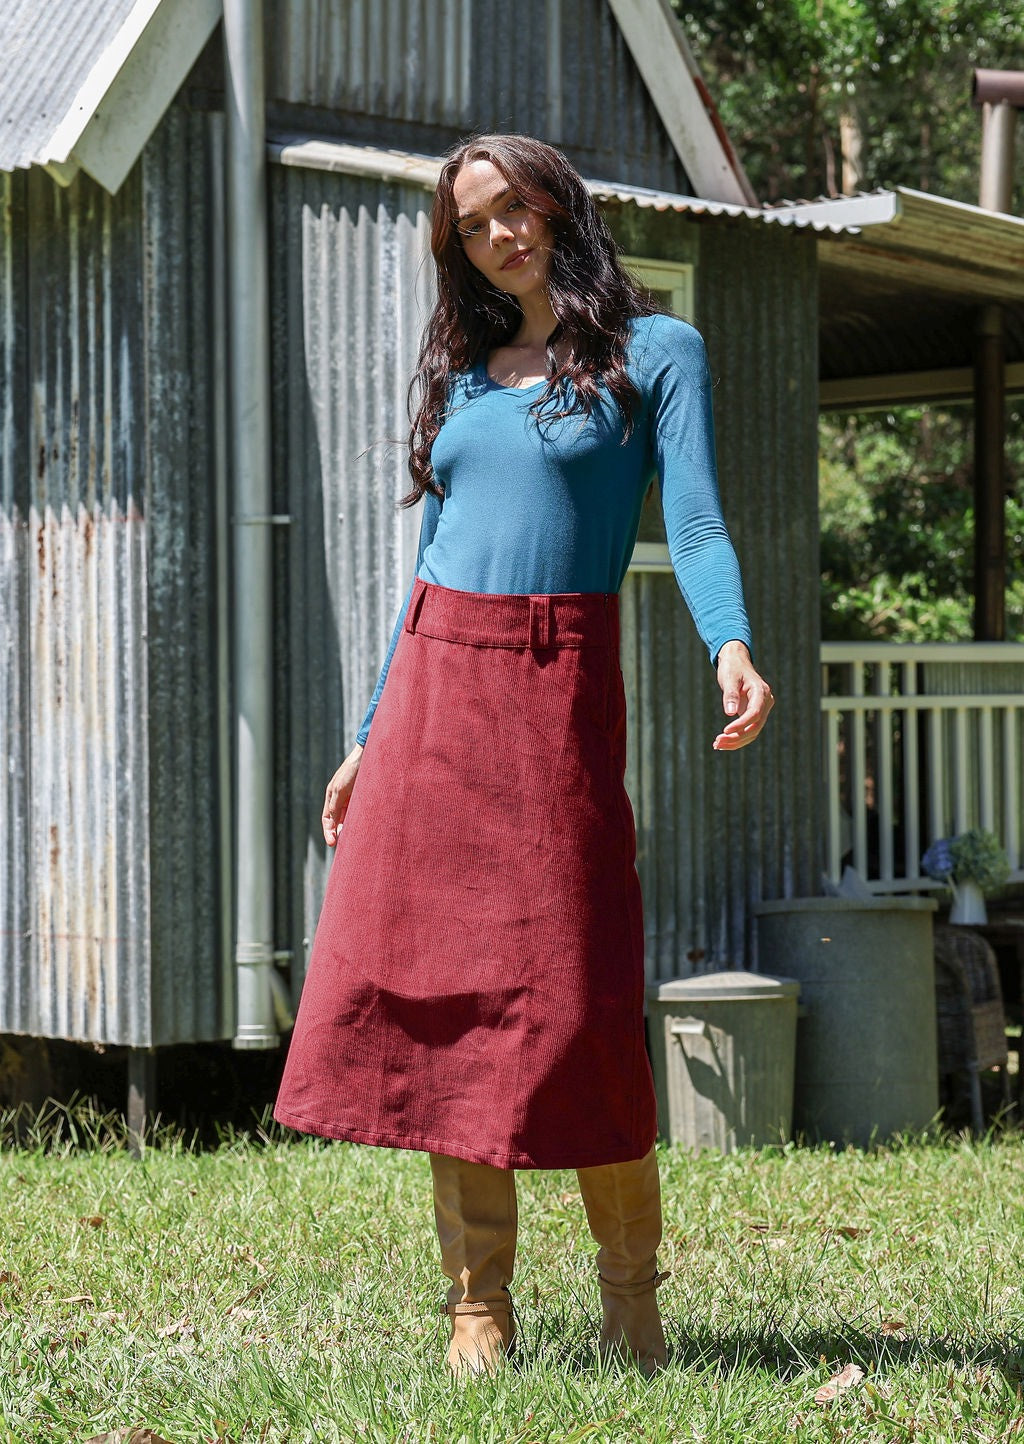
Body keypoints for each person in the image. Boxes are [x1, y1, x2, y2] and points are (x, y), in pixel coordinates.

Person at [274, 132, 774, 1377]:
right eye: (475, 223)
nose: (501, 234)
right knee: (443, 1002)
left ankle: (629, 1301)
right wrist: (365, 735)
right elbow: (427, 573)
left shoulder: (655, 354)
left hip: (556, 693)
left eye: (516, 208)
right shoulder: (463, 380)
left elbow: (697, 520)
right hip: (439, 695)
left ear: (558, 207)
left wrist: (731, 644)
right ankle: (476, 1312)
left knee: (583, 994)